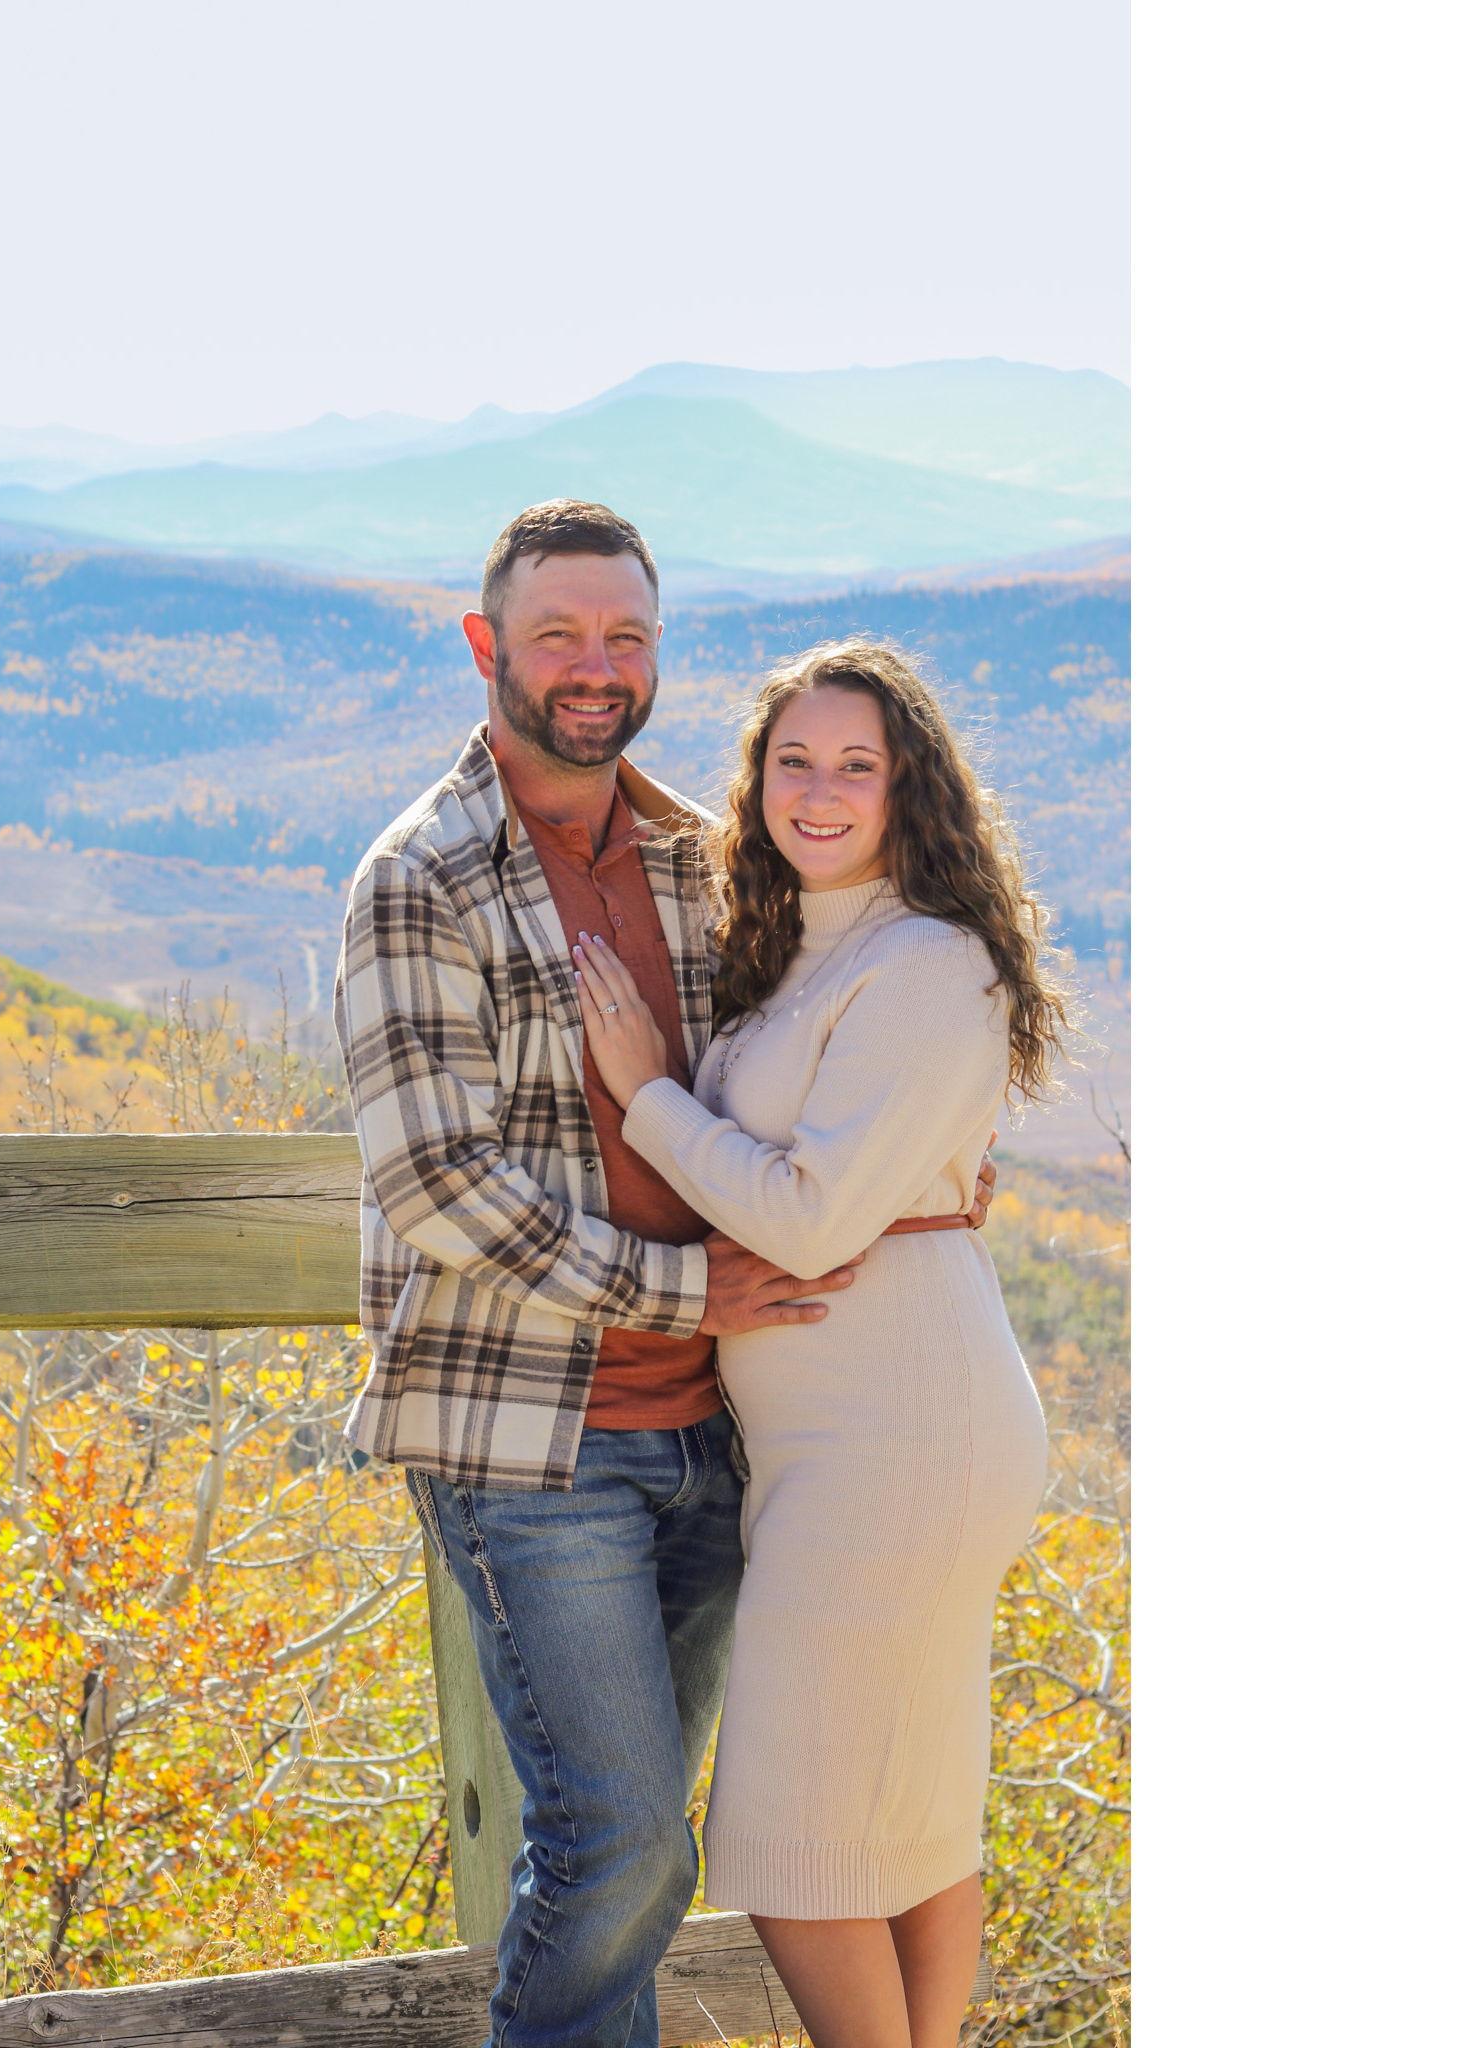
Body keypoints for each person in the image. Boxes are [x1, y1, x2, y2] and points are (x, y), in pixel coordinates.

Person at [332, 502, 995, 2048]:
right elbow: (438, 1184)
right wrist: (690, 1295)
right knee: (621, 1843)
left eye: (625, 636)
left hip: (721, 1438)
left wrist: (939, 1157)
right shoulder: (421, 876)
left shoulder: (706, 857)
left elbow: (852, 1046)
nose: (595, 665)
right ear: (486, 645)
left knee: (657, 1850)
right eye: (558, 634)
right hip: (535, 1440)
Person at [573, 638, 1066, 2048]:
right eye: (793, 760)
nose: (821, 790)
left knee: (793, 1842)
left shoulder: (927, 961)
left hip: (897, 1437)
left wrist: (649, 1096)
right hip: (848, 1439)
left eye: (859, 764)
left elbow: (806, 1218)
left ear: (914, 788)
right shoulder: (804, 941)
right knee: (907, 1810)